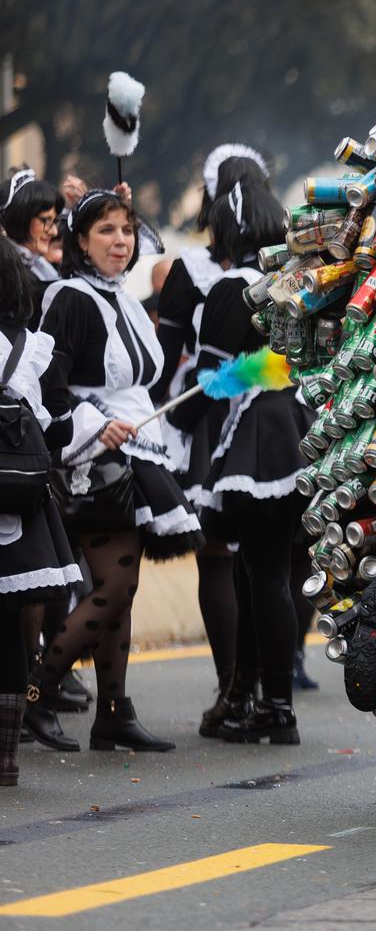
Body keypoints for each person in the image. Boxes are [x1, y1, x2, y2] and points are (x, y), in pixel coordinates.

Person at [25, 187, 203, 752]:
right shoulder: (69, 297)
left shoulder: (124, 299)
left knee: (120, 590)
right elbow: (47, 387)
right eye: (105, 230)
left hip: (137, 449)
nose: (120, 241)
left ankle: (113, 711)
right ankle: (35, 693)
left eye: (126, 230)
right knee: (116, 584)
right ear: (79, 240)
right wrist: (94, 423)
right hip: (93, 455)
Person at [170, 154, 312, 744]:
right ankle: (255, 698)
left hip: (258, 434)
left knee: (265, 572)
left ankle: (273, 705)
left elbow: (213, 378)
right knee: (265, 571)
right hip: (301, 429)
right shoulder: (299, 281)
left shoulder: (233, 286)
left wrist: (170, 424)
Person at [156, 144, 274, 735]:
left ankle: (241, 687)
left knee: (230, 558)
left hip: (217, 415)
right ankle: (250, 687)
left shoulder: (235, 271)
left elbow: (166, 359)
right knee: (247, 560)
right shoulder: (276, 268)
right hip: (217, 414)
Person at [0, 242, 85, 785]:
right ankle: (5, 757)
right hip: (16, 501)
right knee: (8, 628)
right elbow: (56, 433)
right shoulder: (33, 347)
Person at [2, 167, 64, 311]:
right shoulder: (6, 273)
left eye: (55, 221)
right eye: (46, 220)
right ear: (22, 217)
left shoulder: (40, 266)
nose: (54, 231)